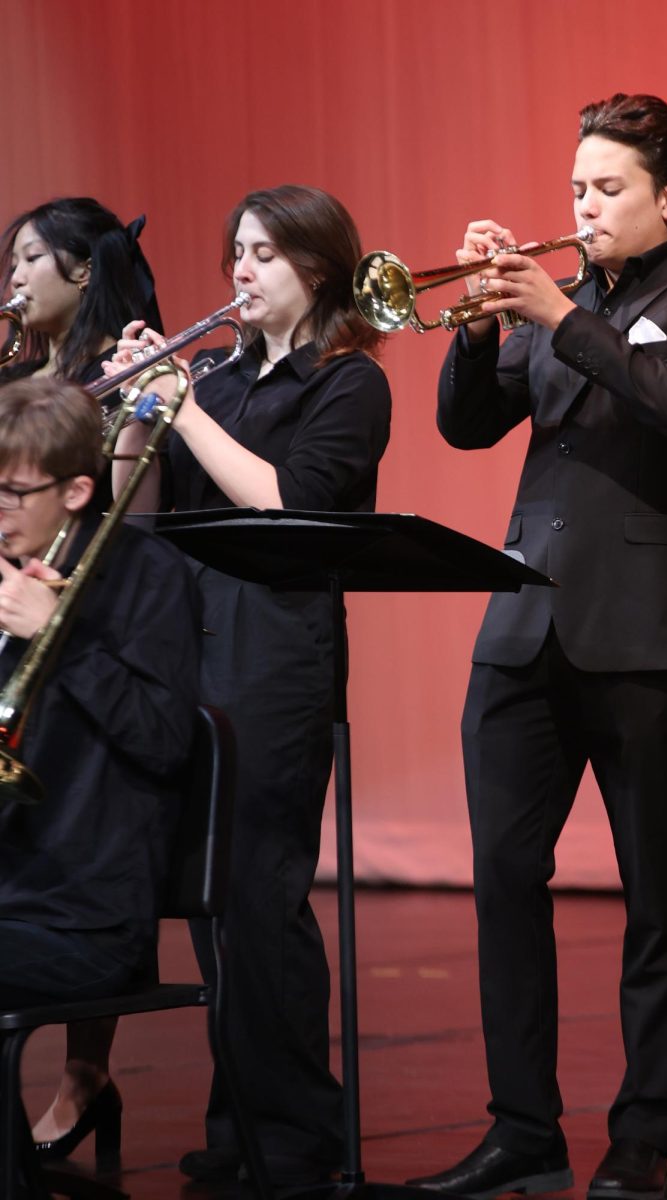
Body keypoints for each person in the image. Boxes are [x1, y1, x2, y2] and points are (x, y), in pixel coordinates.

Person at [406, 95, 667, 1200]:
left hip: (639, 637)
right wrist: (477, 327)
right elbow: (466, 427)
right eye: (574, 188)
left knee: (654, 897)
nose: (581, 207)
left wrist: (558, 314)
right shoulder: (558, 311)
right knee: (503, 884)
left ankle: (642, 1145)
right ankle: (523, 1129)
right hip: (519, 634)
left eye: (605, 189)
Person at [59, 184, 392, 1187]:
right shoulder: (215, 375)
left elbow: (288, 502)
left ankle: (293, 1134)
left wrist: (184, 409)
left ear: (318, 268)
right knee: (208, 905)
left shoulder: (346, 384)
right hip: (185, 641)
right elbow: (132, 507)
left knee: (257, 894)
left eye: (264, 255)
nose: (240, 272)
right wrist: (131, 411)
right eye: (235, 253)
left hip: (276, 649)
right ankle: (240, 1122)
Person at [0, 377, 201, 1158]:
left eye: (15, 494)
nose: (2, 511)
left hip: (85, 911)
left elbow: (162, 739)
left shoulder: (149, 578)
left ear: (79, 489)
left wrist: (60, 632)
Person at [0, 197, 162, 510]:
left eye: (32, 258)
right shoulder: (12, 379)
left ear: (84, 271)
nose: (16, 278)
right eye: (14, 265)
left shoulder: (125, 370)